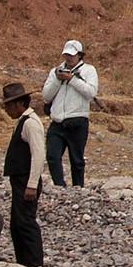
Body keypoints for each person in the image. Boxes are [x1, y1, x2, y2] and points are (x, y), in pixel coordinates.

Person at [0, 81, 46, 267]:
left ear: (19, 104)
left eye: (9, 106)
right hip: (20, 180)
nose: (7, 110)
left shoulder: (31, 124)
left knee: (25, 223)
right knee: (17, 224)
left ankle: (35, 265)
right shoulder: (23, 121)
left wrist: (32, 184)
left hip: (26, 180)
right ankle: (24, 264)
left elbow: (38, 154)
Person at [41, 39, 98, 187]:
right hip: (58, 122)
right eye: (66, 55)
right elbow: (46, 95)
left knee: (77, 160)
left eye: (72, 55)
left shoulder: (89, 70)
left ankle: (78, 188)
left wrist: (72, 79)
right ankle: (60, 186)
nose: (69, 58)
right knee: (52, 156)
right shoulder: (55, 71)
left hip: (77, 122)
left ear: (80, 55)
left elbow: (90, 93)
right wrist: (58, 80)